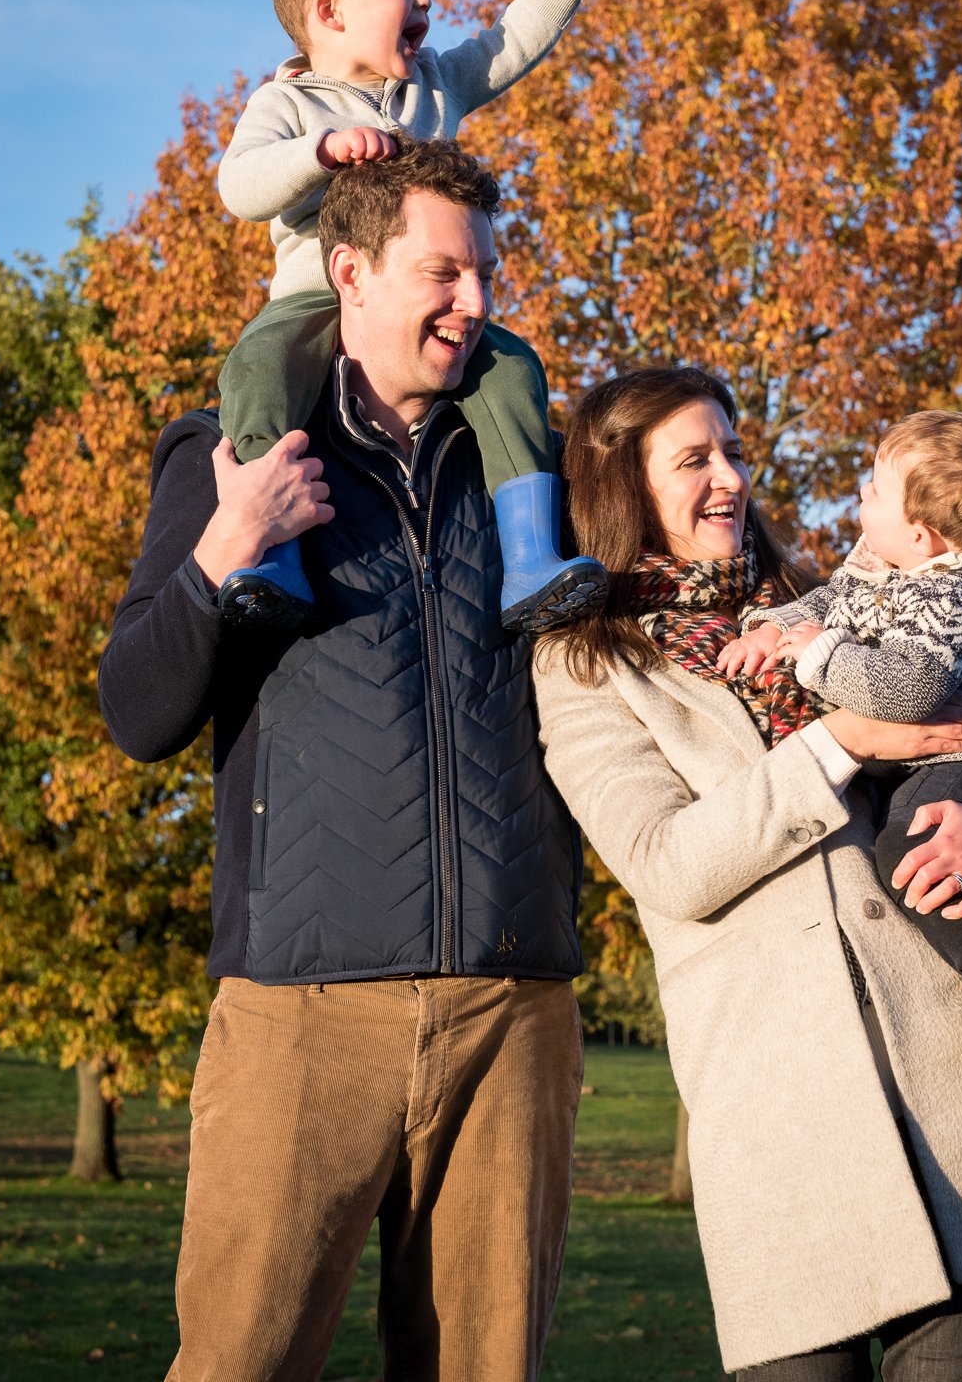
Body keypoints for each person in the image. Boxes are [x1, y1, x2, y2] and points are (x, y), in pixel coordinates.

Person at [532, 366, 962, 1379]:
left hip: (956, 1075)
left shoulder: (828, 604)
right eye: (694, 459)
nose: (731, 476)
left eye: (732, 449)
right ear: (624, 485)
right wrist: (844, 736)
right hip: (784, 1116)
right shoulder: (588, 662)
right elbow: (669, 864)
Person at [98, 141, 586, 1382]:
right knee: (238, 1366)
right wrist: (228, 548)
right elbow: (138, 710)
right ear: (349, 273)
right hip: (298, 1006)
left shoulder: (534, 463)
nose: (476, 303)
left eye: (485, 273)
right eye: (444, 274)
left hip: (510, 1007)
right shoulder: (226, 451)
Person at [216, 0, 615, 631]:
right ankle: (271, 552)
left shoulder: (432, 84)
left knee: (510, 370)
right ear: (329, 11)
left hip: (425, 312)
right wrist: (322, 152)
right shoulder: (285, 104)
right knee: (258, 367)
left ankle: (528, 556)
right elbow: (239, 188)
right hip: (314, 300)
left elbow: (507, 44)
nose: (425, 0)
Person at [719, 409, 962, 1058]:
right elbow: (827, 603)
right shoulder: (882, 560)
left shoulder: (954, 602)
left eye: (874, 488)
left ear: (923, 537)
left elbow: (905, 694)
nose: (860, 494)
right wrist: (769, 628)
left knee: (910, 848)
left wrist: (815, 657)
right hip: (913, 767)